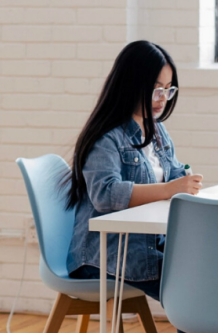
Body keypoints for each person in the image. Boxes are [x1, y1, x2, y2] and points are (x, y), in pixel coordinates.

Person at [65, 40, 204, 307]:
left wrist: (185, 182)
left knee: (209, 270)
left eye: (167, 89)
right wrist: (169, 189)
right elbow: (105, 194)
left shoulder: (157, 131)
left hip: (148, 247)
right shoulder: (107, 137)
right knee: (194, 286)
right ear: (130, 84)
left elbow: (173, 174)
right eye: (155, 90)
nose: (162, 99)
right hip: (105, 257)